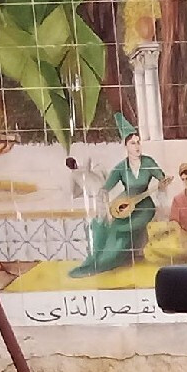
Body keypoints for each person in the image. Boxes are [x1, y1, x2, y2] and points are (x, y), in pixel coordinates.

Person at [70, 114, 165, 278]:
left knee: (120, 229)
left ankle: (110, 260)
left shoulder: (148, 162)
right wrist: (104, 204)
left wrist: (163, 182)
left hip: (144, 205)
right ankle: (95, 260)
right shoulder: (121, 167)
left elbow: (161, 177)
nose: (136, 146)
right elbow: (106, 188)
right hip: (123, 203)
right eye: (132, 143)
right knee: (103, 225)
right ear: (126, 146)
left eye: (138, 142)